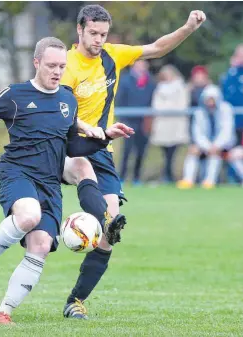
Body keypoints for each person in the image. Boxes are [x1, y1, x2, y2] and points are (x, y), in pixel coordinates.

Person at [0, 37, 133, 325]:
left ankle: (3, 313)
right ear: (37, 62)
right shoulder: (14, 95)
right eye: (51, 65)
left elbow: (74, 148)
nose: (57, 71)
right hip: (17, 172)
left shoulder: (67, 99)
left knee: (39, 246)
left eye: (62, 66)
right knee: (28, 216)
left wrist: (106, 138)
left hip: (49, 181)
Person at [60, 4, 206, 319]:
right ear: (80, 31)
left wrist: (188, 28)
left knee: (110, 235)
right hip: (68, 146)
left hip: (102, 148)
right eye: (93, 33)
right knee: (55, 224)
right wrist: (92, 130)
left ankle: (75, 301)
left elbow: (157, 48)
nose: (99, 40)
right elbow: (62, 115)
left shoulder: (113, 55)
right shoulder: (66, 66)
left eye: (103, 34)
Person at [177, 85, 236, 189]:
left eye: (212, 99)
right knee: (193, 151)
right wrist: (208, 146)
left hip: (224, 145)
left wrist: (216, 145)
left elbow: (226, 132)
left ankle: (209, 181)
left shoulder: (226, 109)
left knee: (215, 153)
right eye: (208, 100)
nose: (210, 102)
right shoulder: (199, 112)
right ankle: (188, 180)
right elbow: (198, 133)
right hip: (205, 145)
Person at [115, 60, 156, 185]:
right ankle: (121, 176)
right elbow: (120, 99)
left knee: (141, 150)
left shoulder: (151, 82)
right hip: (128, 120)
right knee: (127, 150)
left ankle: (136, 178)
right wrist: (122, 118)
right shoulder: (126, 80)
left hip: (144, 121)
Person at [150, 65, 190, 183]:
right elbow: (156, 105)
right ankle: (166, 175)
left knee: (174, 152)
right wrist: (169, 106)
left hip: (176, 124)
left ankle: (172, 175)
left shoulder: (181, 87)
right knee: (165, 152)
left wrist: (167, 106)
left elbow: (182, 105)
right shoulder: (160, 88)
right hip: (163, 124)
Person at [220, 44, 243, 183]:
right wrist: (233, 68)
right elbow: (226, 94)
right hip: (233, 120)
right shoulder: (231, 73)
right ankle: (232, 177)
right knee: (230, 150)